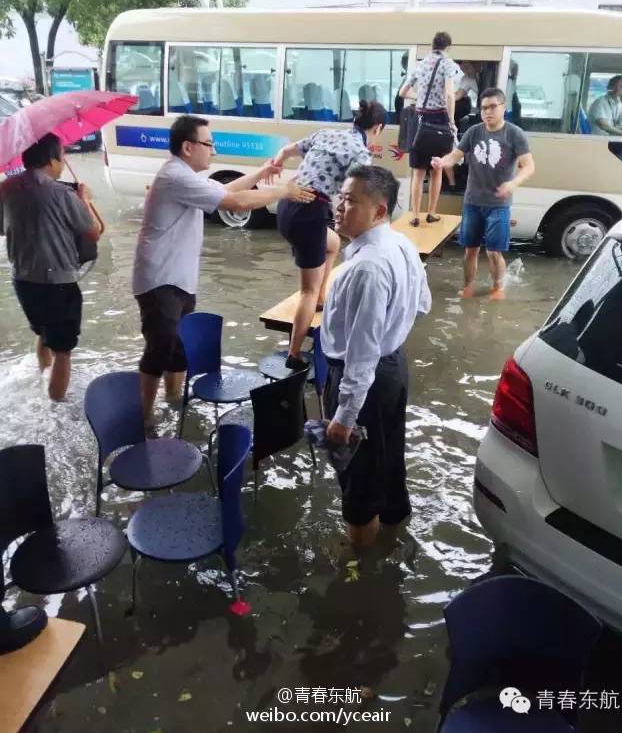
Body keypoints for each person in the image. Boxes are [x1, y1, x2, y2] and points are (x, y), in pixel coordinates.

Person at [132, 114, 314, 426]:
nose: (213, 151)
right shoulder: (176, 177)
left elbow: (223, 190)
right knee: (159, 350)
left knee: (177, 349)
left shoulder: (185, 175)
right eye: (209, 144)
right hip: (160, 280)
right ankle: (144, 418)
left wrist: (262, 173)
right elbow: (236, 202)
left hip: (178, 279)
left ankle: (174, 406)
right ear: (188, 147)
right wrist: (283, 192)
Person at [321, 165, 431, 547]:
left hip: (363, 379)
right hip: (392, 368)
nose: (339, 206)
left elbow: (362, 353)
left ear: (379, 210)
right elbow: (422, 303)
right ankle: (393, 535)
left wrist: (344, 417)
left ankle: (360, 564)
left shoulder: (367, 267)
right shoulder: (401, 244)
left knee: (360, 480)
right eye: (340, 197)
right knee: (389, 458)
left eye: (351, 201)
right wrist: (392, 329)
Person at [271, 100, 385, 371]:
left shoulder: (326, 133)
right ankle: (294, 353)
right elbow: (358, 196)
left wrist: (276, 164)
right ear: (378, 128)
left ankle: (321, 298)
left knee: (332, 243)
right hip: (308, 212)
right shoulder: (360, 153)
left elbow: (286, 150)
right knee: (306, 291)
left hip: (286, 206)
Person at [0, 133, 102, 400]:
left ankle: (43, 378)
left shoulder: (7, 188)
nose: (64, 161)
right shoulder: (61, 193)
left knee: (43, 333)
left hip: (23, 279)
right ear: (51, 159)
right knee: (63, 351)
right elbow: (92, 233)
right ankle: (56, 406)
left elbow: (3, 228)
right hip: (57, 284)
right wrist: (84, 199)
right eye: (63, 155)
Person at [432, 88, 535, 300]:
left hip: (499, 204)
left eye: (492, 107)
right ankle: (468, 287)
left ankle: (498, 288)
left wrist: (513, 183)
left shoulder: (514, 134)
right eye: (483, 108)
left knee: (494, 252)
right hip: (472, 202)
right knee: (470, 249)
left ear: (503, 108)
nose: (487, 112)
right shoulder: (474, 132)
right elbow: (455, 155)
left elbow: (529, 166)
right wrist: (442, 162)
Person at [398, 31, 459, 226]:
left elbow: (403, 92)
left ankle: (415, 215)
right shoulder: (447, 64)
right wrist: (451, 121)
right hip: (439, 120)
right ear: (448, 47)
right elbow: (449, 95)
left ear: (432, 46)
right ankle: (431, 213)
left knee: (418, 172)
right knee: (436, 169)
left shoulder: (421, 64)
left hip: (419, 120)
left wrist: (420, 98)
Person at [454, 60, 479, 125]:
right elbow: (458, 95)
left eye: (467, 68)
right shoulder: (467, 79)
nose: (465, 72)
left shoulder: (486, 75)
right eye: (462, 70)